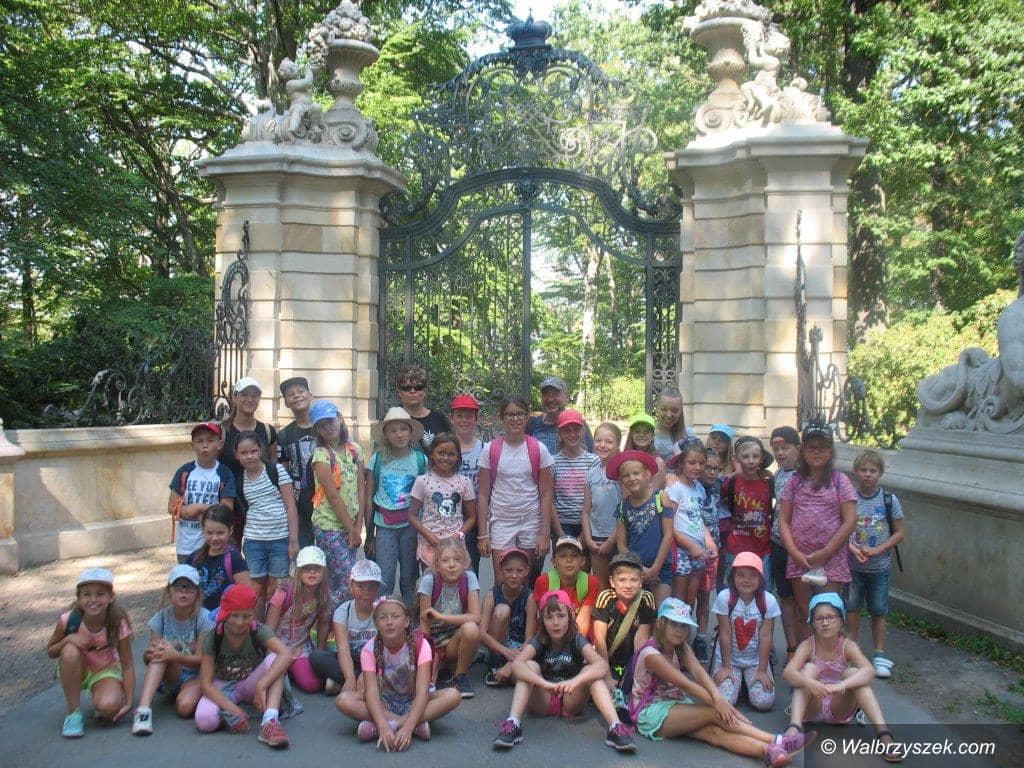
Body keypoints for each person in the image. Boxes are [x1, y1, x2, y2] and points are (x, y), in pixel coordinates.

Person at [624, 597, 811, 766]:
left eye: (683, 626)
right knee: (715, 712)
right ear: (660, 623)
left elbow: (698, 672)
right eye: (674, 624)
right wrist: (719, 703)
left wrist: (718, 697)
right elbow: (685, 684)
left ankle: (769, 751)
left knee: (714, 733)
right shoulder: (651, 655)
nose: (680, 631)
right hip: (651, 712)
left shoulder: (680, 645)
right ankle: (777, 740)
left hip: (675, 705)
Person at [492, 589, 635, 752]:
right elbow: (517, 665)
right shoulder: (539, 639)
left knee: (591, 670)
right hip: (544, 699)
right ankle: (513, 723)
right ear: (542, 620)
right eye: (549, 617)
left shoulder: (577, 639)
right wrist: (543, 683)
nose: (555, 623)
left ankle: (615, 727)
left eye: (561, 616)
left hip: (571, 698)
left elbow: (601, 666)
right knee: (530, 666)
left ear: (570, 617)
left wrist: (575, 681)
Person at [783, 593, 903, 763]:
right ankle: (793, 729)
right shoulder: (808, 645)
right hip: (812, 707)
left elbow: (869, 671)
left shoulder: (847, 645)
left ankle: (883, 733)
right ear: (812, 623)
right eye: (819, 618)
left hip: (839, 707)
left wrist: (841, 685)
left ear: (841, 621)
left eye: (831, 617)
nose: (825, 623)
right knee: (808, 669)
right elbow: (789, 672)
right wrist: (809, 683)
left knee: (854, 673)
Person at [336, 596, 461, 750]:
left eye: (395, 616)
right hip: (385, 703)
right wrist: (383, 725)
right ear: (376, 623)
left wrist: (407, 727)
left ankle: (394, 725)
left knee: (453, 695)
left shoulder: (421, 645)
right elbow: (372, 693)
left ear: (407, 621)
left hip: (414, 701)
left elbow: (423, 692)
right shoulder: (369, 649)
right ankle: (411, 725)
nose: (389, 622)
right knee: (343, 699)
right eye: (383, 617)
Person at [778, 422, 857, 637]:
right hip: (800, 558)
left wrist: (826, 552)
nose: (816, 452)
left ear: (831, 451)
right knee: (804, 611)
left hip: (831, 557)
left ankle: (831, 654)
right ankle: (807, 653)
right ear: (803, 451)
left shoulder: (840, 481)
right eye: (811, 447)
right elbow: (783, 520)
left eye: (822, 447)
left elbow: (850, 520)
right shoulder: (795, 482)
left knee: (829, 611)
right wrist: (794, 552)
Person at [195, 583, 296, 749]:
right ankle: (231, 713)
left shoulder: (257, 629)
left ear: (253, 614)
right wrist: (229, 708)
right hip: (225, 685)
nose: (240, 622)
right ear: (225, 614)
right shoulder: (214, 637)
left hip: (252, 683)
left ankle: (269, 721)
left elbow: (286, 654)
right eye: (234, 616)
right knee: (205, 721)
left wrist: (262, 685)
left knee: (275, 659)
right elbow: (205, 682)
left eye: (246, 616)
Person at [47, 568, 134, 738]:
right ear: (79, 598)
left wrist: (129, 701)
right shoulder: (68, 620)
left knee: (108, 707)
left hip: (105, 670)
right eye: (87, 594)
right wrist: (68, 639)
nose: (93, 600)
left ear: (111, 597)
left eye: (100, 594)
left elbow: (127, 664)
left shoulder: (117, 621)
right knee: (70, 650)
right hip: (77, 668)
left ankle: (102, 697)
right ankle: (73, 713)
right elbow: (51, 651)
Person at [477, 394, 555, 584]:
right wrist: (483, 534)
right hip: (501, 521)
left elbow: (546, 494)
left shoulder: (539, 449)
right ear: (502, 418)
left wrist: (544, 534)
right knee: (502, 580)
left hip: (530, 521)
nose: (515, 419)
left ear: (527, 417)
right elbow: (483, 494)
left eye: (520, 414)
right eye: (510, 414)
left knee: (525, 579)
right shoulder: (490, 449)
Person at [132, 564, 214, 735]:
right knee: (160, 654)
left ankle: (194, 694)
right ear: (169, 592)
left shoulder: (205, 618)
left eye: (189, 587)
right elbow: (149, 657)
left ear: (197, 593)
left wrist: (174, 655)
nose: (183, 592)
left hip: (195, 675)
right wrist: (150, 653)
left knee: (184, 708)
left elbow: (203, 660)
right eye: (178, 587)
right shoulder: (160, 618)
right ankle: (143, 711)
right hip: (170, 673)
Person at [847, 449, 906, 679]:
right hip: (853, 566)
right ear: (856, 472)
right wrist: (852, 548)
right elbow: (840, 529)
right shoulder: (849, 498)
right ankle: (851, 652)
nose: (868, 474)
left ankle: (879, 654)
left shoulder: (889, 500)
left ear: (880, 473)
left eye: (873, 470)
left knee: (879, 610)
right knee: (852, 608)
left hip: (879, 566)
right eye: (864, 470)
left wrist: (879, 549)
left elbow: (900, 532)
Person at [367, 407, 427, 607]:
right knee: (385, 575)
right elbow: (369, 496)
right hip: (385, 526)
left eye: (403, 429)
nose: (399, 434)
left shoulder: (420, 460)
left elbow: (426, 495)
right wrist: (369, 535)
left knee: (410, 575)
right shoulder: (377, 460)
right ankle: (383, 615)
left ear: (410, 432)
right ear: (386, 434)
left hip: (411, 526)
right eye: (393, 430)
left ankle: (410, 616)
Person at [309, 400, 365, 612]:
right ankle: (325, 617)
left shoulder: (355, 450)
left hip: (351, 525)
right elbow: (332, 496)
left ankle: (337, 621)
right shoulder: (321, 455)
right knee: (348, 580)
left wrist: (358, 526)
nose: (328, 427)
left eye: (330, 421)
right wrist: (352, 530)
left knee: (337, 579)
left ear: (340, 419)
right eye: (322, 425)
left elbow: (361, 489)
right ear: (317, 430)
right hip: (329, 525)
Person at [234, 430, 297, 617]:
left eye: (253, 451)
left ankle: (275, 628)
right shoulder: (240, 481)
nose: (249, 456)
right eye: (244, 453)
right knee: (256, 589)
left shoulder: (276, 471)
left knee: (277, 589)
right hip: (254, 541)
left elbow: (290, 505)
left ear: (261, 450)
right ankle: (257, 626)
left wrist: (293, 541)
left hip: (280, 539)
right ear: (236, 455)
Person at [711, 552, 780, 712]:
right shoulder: (724, 598)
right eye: (741, 575)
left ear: (761, 578)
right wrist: (726, 667)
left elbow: (766, 636)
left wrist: (762, 670)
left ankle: (746, 682)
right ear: (733, 576)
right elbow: (725, 633)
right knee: (724, 701)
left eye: (752, 576)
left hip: (756, 661)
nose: (746, 580)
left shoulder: (768, 600)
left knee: (764, 702)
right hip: (730, 659)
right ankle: (738, 682)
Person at [416, 537, 481, 697]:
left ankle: (460, 676)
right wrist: (427, 657)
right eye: (445, 560)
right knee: (426, 678)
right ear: (437, 565)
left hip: (455, 639)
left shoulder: (470, 578)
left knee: (471, 629)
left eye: (457, 559)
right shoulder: (428, 581)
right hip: (434, 638)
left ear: (465, 562)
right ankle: (441, 664)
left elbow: (475, 617)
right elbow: (424, 624)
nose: (452, 565)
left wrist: (441, 617)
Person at [310, 559, 384, 694]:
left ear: (378, 588)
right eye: (360, 586)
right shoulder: (343, 611)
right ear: (351, 585)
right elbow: (343, 648)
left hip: (375, 660)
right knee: (317, 657)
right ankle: (356, 682)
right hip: (351, 659)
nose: (366, 592)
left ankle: (344, 683)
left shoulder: (383, 610)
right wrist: (349, 678)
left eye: (371, 587)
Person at [611, 449, 675, 604]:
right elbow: (621, 545)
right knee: (636, 613)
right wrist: (639, 568)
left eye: (636, 473)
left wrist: (654, 569)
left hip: (661, 568)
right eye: (626, 475)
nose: (631, 478)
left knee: (661, 611)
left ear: (647, 474)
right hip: (634, 570)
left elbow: (668, 535)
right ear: (620, 480)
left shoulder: (661, 498)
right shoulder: (622, 507)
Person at [265, 546, 332, 693]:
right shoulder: (284, 592)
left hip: (300, 647)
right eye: (307, 568)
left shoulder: (323, 594)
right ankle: (286, 670)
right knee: (272, 678)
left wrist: (319, 655)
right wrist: (271, 654)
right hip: (277, 648)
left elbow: (324, 622)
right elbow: (268, 630)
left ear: (324, 571)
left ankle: (292, 670)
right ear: (298, 571)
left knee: (311, 684)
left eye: (317, 568)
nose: (312, 572)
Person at [219, 377, 278, 542]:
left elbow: (274, 466)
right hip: (231, 504)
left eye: (254, 395)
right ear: (234, 397)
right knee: (231, 550)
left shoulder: (268, 431)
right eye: (244, 394)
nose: (250, 399)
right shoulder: (222, 431)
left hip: (262, 505)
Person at [168, 422, 236, 564]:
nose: (205, 445)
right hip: (187, 544)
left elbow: (227, 508)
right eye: (199, 441)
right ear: (192, 445)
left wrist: (199, 508)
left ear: (219, 444)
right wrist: (185, 510)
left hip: (214, 544)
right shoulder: (185, 471)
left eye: (210, 441)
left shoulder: (224, 473)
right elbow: (172, 506)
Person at [407, 432, 476, 571]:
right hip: (429, 544)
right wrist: (427, 535)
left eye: (451, 454)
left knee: (457, 580)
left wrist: (458, 535)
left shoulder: (464, 482)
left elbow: (472, 517)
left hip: (455, 544)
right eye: (441, 453)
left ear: (458, 456)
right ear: (432, 454)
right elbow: (412, 515)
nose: (445, 458)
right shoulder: (422, 481)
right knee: (431, 581)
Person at [666, 439, 716, 619]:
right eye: (692, 462)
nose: (697, 467)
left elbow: (698, 519)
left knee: (690, 599)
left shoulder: (699, 488)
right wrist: (689, 545)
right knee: (678, 600)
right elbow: (668, 524)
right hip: (681, 551)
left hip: (699, 551)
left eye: (701, 463)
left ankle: (685, 633)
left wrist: (709, 543)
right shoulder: (674, 489)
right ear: (681, 463)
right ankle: (674, 633)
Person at [592, 552, 656, 683]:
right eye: (622, 580)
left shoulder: (646, 599)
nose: (628, 586)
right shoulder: (606, 598)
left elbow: (641, 639)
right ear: (612, 581)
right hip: (607, 658)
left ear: (641, 581)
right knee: (599, 683)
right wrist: (607, 677)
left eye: (634, 580)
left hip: (632, 659)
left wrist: (635, 675)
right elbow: (599, 640)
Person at [769, 426, 801, 661]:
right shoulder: (778, 475)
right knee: (786, 597)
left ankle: (806, 646)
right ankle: (792, 647)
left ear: (798, 448)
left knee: (802, 600)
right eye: (776, 448)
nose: (780, 453)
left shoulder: (806, 476)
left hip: (798, 547)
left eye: (785, 448)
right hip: (778, 543)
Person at [530, 536, 601, 640]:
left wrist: (575, 645)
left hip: (579, 636)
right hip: (552, 634)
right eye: (563, 556)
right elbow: (546, 619)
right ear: (553, 561)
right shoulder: (544, 581)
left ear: (583, 561)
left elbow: (583, 620)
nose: (569, 560)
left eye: (575, 556)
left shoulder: (591, 582)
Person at [480, 548, 531, 687]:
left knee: (518, 679)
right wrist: (506, 652)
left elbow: (530, 638)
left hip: (520, 648)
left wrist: (513, 661)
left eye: (519, 571)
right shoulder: (491, 596)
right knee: (502, 610)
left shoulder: (530, 597)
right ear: (500, 570)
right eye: (509, 570)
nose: (514, 575)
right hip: (498, 646)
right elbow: (481, 633)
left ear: (526, 571)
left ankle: (509, 669)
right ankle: (495, 663)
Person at [722, 436, 774, 572]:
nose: (751, 461)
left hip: (763, 547)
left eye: (755, 456)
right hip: (736, 546)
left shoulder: (768, 482)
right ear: (737, 459)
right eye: (745, 457)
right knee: (734, 583)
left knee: (764, 584)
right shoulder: (732, 482)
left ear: (762, 458)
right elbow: (714, 492)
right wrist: (734, 474)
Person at [187, 504, 252, 611]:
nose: (215, 538)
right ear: (203, 531)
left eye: (220, 533)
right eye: (209, 533)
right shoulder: (194, 558)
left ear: (230, 530)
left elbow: (247, 594)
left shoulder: (234, 558)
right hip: (198, 617)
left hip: (225, 619)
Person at [277, 376, 318, 547]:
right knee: (305, 553)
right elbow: (282, 471)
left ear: (310, 395)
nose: (296, 396)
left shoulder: (324, 427)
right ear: (286, 402)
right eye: (290, 394)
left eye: (301, 391)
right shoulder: (284, 435)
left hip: (328, 499)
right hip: (300, 502)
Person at [582, 422, 623, 587]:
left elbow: (625, 510)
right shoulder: (591, 473)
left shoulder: (622, 472)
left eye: (609, 442)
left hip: (619, 538)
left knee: (620, 586)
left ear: (617, 444)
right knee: (602, 587)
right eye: (598, 440)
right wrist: (588, 538)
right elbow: (586, 510)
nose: (603, 445)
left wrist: (611, 541)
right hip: (597, 538)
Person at [551, 410, 599, 548]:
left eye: (576, 430)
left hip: (588, 524)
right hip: (562, 524)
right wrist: (560, 534)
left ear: (583, 431)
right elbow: (550, 500)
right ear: (560, 433)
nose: (572, 434)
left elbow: (596, 499)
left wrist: (584, 535)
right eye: (567, 431)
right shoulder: (553, 462)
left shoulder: (593, 461)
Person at [695, 447, 725, 661]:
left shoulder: (720, 485)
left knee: (705, 596)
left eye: (716, 468)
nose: (712, 472)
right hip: (690, 550)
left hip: (712, 551)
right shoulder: (691, 487)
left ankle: (700, 638)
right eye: (708, 468)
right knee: (687, 598)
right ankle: (680, 636)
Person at [451, 393, 485, 575]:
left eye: (469, 416)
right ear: (452, 418)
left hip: (475, 516)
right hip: (449, 514)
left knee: (471, 566)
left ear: (476, 419)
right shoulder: (446, 448)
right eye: (459, 416)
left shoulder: (484, 449)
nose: (464, 420)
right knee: (448, 563)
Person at [526, 375, 594, 454]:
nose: (550, 399)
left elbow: (591, 454)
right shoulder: (532, 424)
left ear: (567, 397)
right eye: (546, 395)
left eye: (555, 394)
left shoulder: (577, 425)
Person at [395, 364, 451, 452]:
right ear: (399, 392)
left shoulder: (439, 419)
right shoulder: (392, 420)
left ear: (425, 391)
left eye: (418, 387)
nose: (412, 391)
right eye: (406, 388)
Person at [624, 412, 667, 490]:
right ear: (631, 435)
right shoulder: (624, 459)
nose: (642, 435)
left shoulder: (658, 463)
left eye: (646, 432)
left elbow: (655, 492)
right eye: (637, 431)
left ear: (653, 436)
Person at [653, 386, 695, 461]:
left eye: (674, 410)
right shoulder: (650, 435)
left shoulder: (689, 435)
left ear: (680, 411)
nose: (669, 415)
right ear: (657, 408)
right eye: (664, 409)